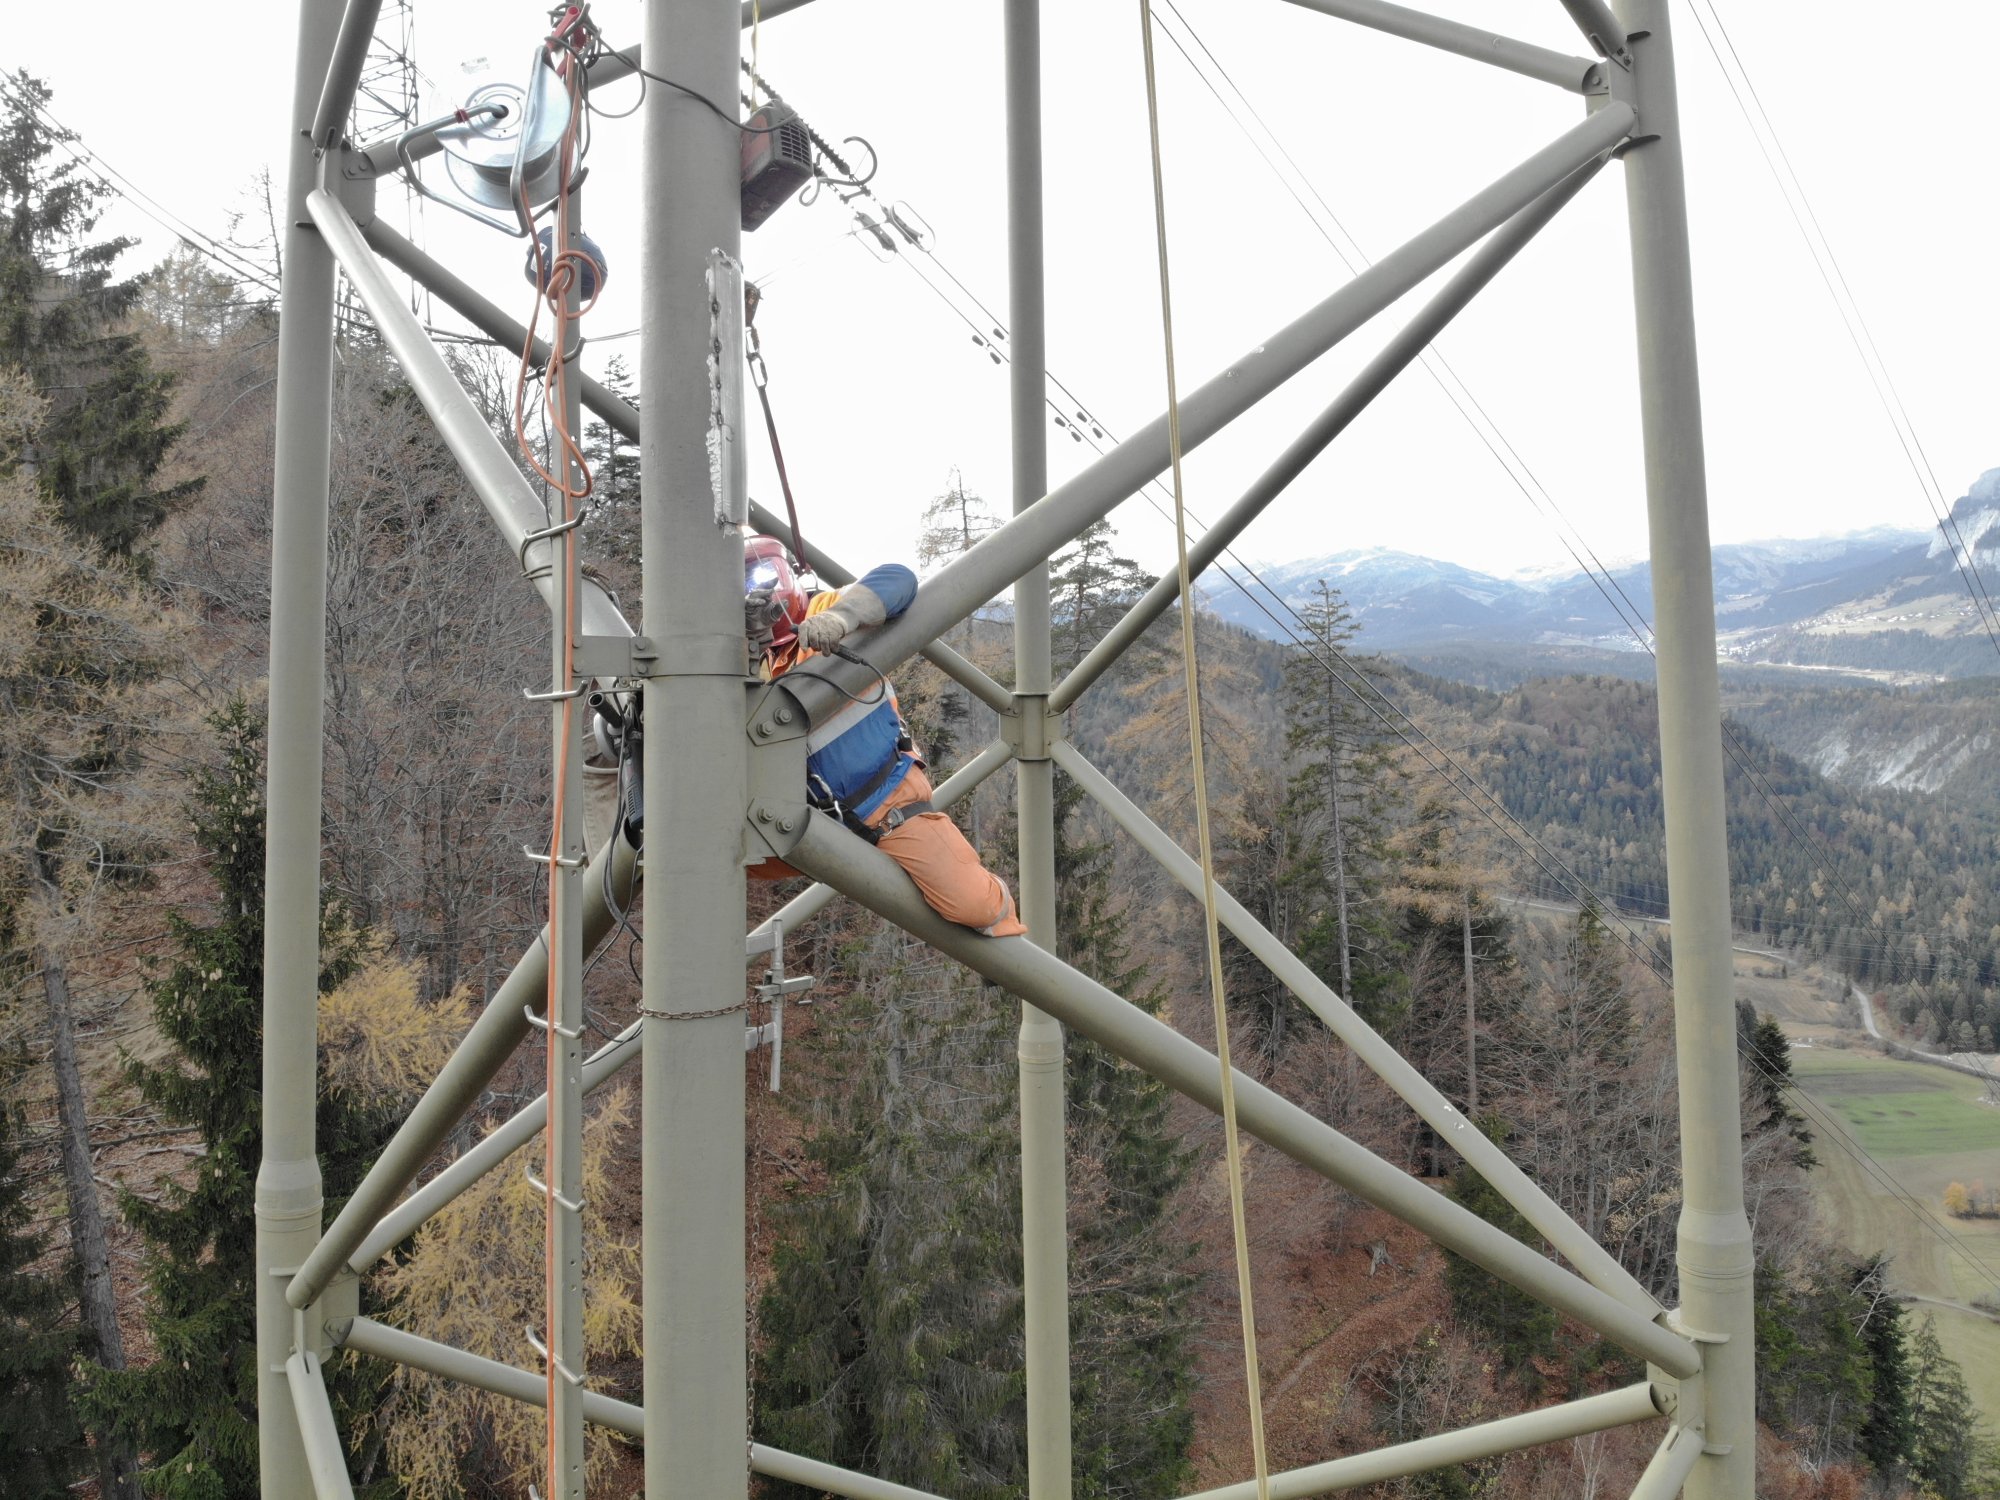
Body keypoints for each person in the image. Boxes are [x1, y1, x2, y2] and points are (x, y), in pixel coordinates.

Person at [744, 534, 1026, 938]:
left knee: (976, 907)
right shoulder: (743, 662)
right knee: (691, 857)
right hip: (800, 826)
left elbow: (897, 580)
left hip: (888, 809)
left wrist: (843, 619)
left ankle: (1007, 935)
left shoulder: (825, 610)